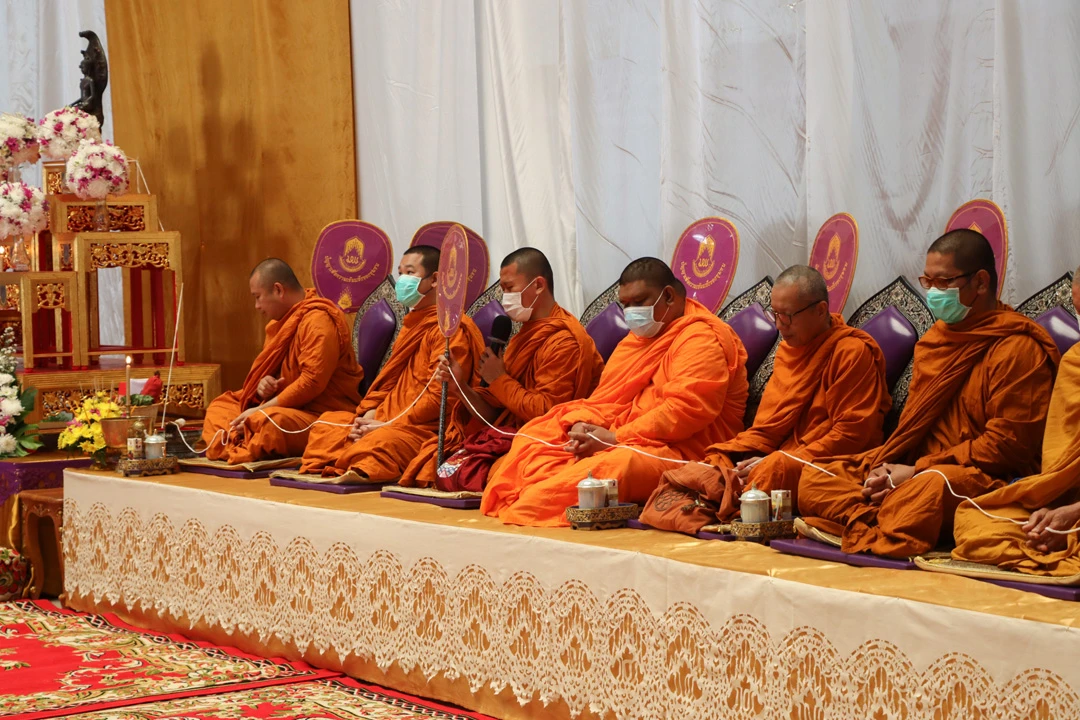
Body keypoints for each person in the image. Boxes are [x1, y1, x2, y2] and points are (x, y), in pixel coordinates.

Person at [796, 230, 1060, 558]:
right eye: (928, 282)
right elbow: (913, 429)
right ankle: (879, 518)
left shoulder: (1017, 347)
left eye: (944, 282)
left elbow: (1008, 447)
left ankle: (893, 515)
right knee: (816, 477)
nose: (933, 293)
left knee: (929, 488)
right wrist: (890, 467)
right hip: (917, 466)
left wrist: (917, 471)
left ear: (980, 282)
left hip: (980, 478)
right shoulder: (936, 340)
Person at [481, 257, 749, 527]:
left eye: (639, 302)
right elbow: (607, 401)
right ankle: (528, 495)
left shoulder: (701, 338)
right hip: (625, 436)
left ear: (668, 296)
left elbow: (686, 411)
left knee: (617, 466)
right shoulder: (638, 339)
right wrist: (585, 425)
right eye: (626, 305)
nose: (631, 312)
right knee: (538, 434)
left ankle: (532, 505)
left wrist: (614, 437)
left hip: (682, 451)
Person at [640, 265, 890, 532]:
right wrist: (752, 454)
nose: (780, 325)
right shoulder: (788, 350)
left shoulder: (851, 352)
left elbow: (852, 434)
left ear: (820, 310)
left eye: (789, 316)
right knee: (715, 460)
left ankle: (721, 504)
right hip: (780, 455)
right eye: (776, 314)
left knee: (775, 470)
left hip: (828, 460)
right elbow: (767, 428)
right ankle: (716, 499)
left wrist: (781, 457)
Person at [400, 247, 604, 489]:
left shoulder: (564, 340)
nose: (504, 297)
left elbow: (548, 414)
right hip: (510, 436)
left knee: (498, 473)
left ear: (538, 285)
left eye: (509, 288)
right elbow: (498, 416)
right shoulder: (524, 334)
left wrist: (499, 379)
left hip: (547, 440)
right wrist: (460, 387)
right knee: (439, 462)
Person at [296, 246, 484, 483]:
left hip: (422, 429)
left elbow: (440, 398)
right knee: (327, 425)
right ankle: (360, 452)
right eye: (400, 272)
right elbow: (388, 382)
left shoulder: (450, 330)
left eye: (410, 272)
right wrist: (368, 417)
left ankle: (363, 462)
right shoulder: (412, 324)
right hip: (386, 420)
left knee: (380, 443)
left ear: (435, 279)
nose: (402, 280)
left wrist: (386, 424)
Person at [951, 269, 1080, 575]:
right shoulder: (1076, 361)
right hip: (1069, 503)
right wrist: (1051, 512)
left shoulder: (1018, 349)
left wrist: (1072, 517)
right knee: (975, 523)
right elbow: (1060, 469)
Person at [201, 258, 363, 464]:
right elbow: (278, 372)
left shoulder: (318, 321)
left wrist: (261, 409)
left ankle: (242, 440)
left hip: (319, 415)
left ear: (278, 289)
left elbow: (312, 383)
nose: (257, 306)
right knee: (221, 406)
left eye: (258, 297)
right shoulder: (282, 323)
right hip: (283, 407)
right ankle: (242, 440)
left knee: (269, 423)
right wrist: (265, 386)